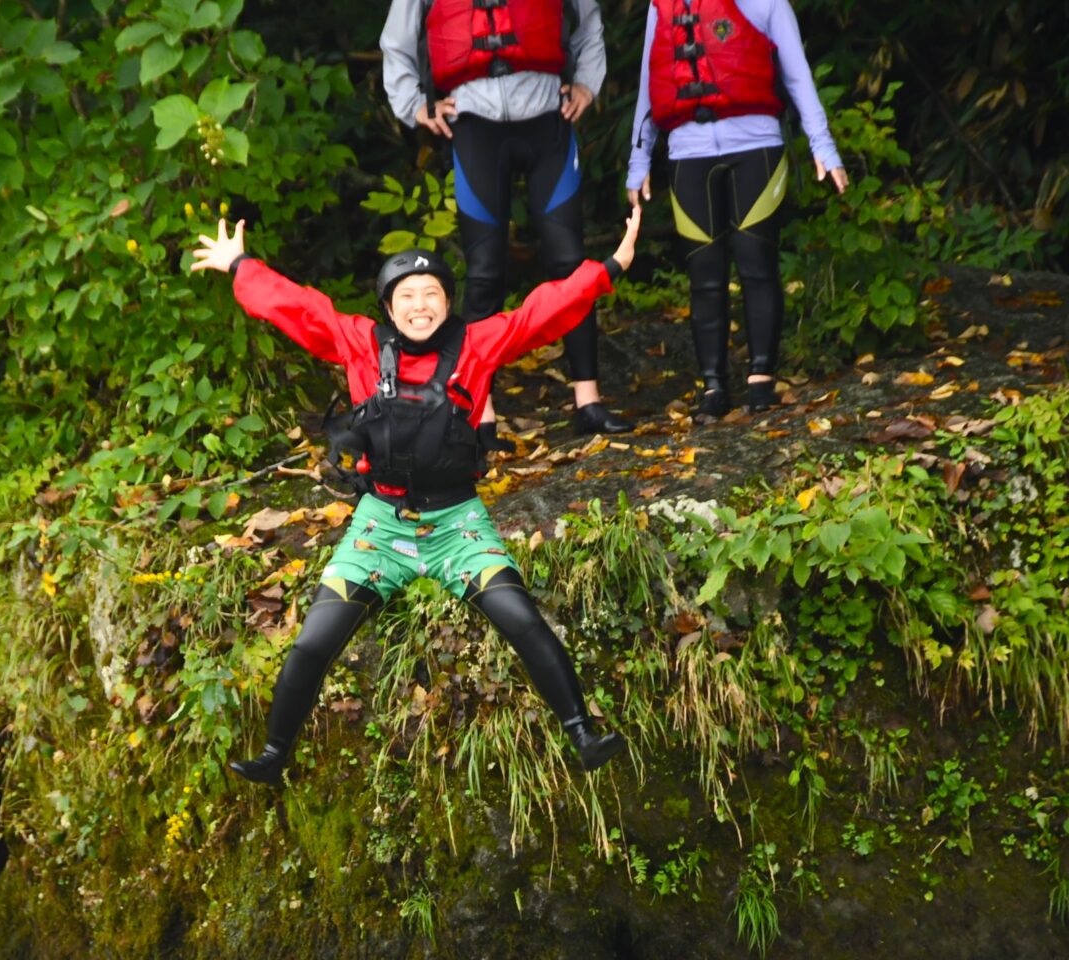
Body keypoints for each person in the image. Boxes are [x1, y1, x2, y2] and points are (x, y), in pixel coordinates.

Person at [189, 207, 641, 784]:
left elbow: (542, 311)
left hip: (457, 524)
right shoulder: (360, 343)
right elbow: (300, 308)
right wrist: (241, 266)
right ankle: (275, 756)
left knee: (520, 618)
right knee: (313, 642)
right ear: (388, 306)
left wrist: (610, 267)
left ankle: (582, 735)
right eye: (406, 295)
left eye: (432, 294)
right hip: (381, 524)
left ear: (448, 303)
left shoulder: (476, 345)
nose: (419, 305)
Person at [381, 0, 633, 440]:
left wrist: (586, 84)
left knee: (569, 261)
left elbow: (587, 20)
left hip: (547, 119)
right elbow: (396, 41)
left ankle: (588, 401)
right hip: (474, 125)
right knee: (484, 272)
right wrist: (414, 105)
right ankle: (480, 412)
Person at [626, 0, 848, 418]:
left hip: (757, 147)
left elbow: (798, 76)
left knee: (756, 262)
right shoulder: (662, 6)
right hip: (687, 152)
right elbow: (648, 86)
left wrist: (823, 145)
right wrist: (638, 163)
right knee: (704, 274)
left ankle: (761, 379)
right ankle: (713, 385)